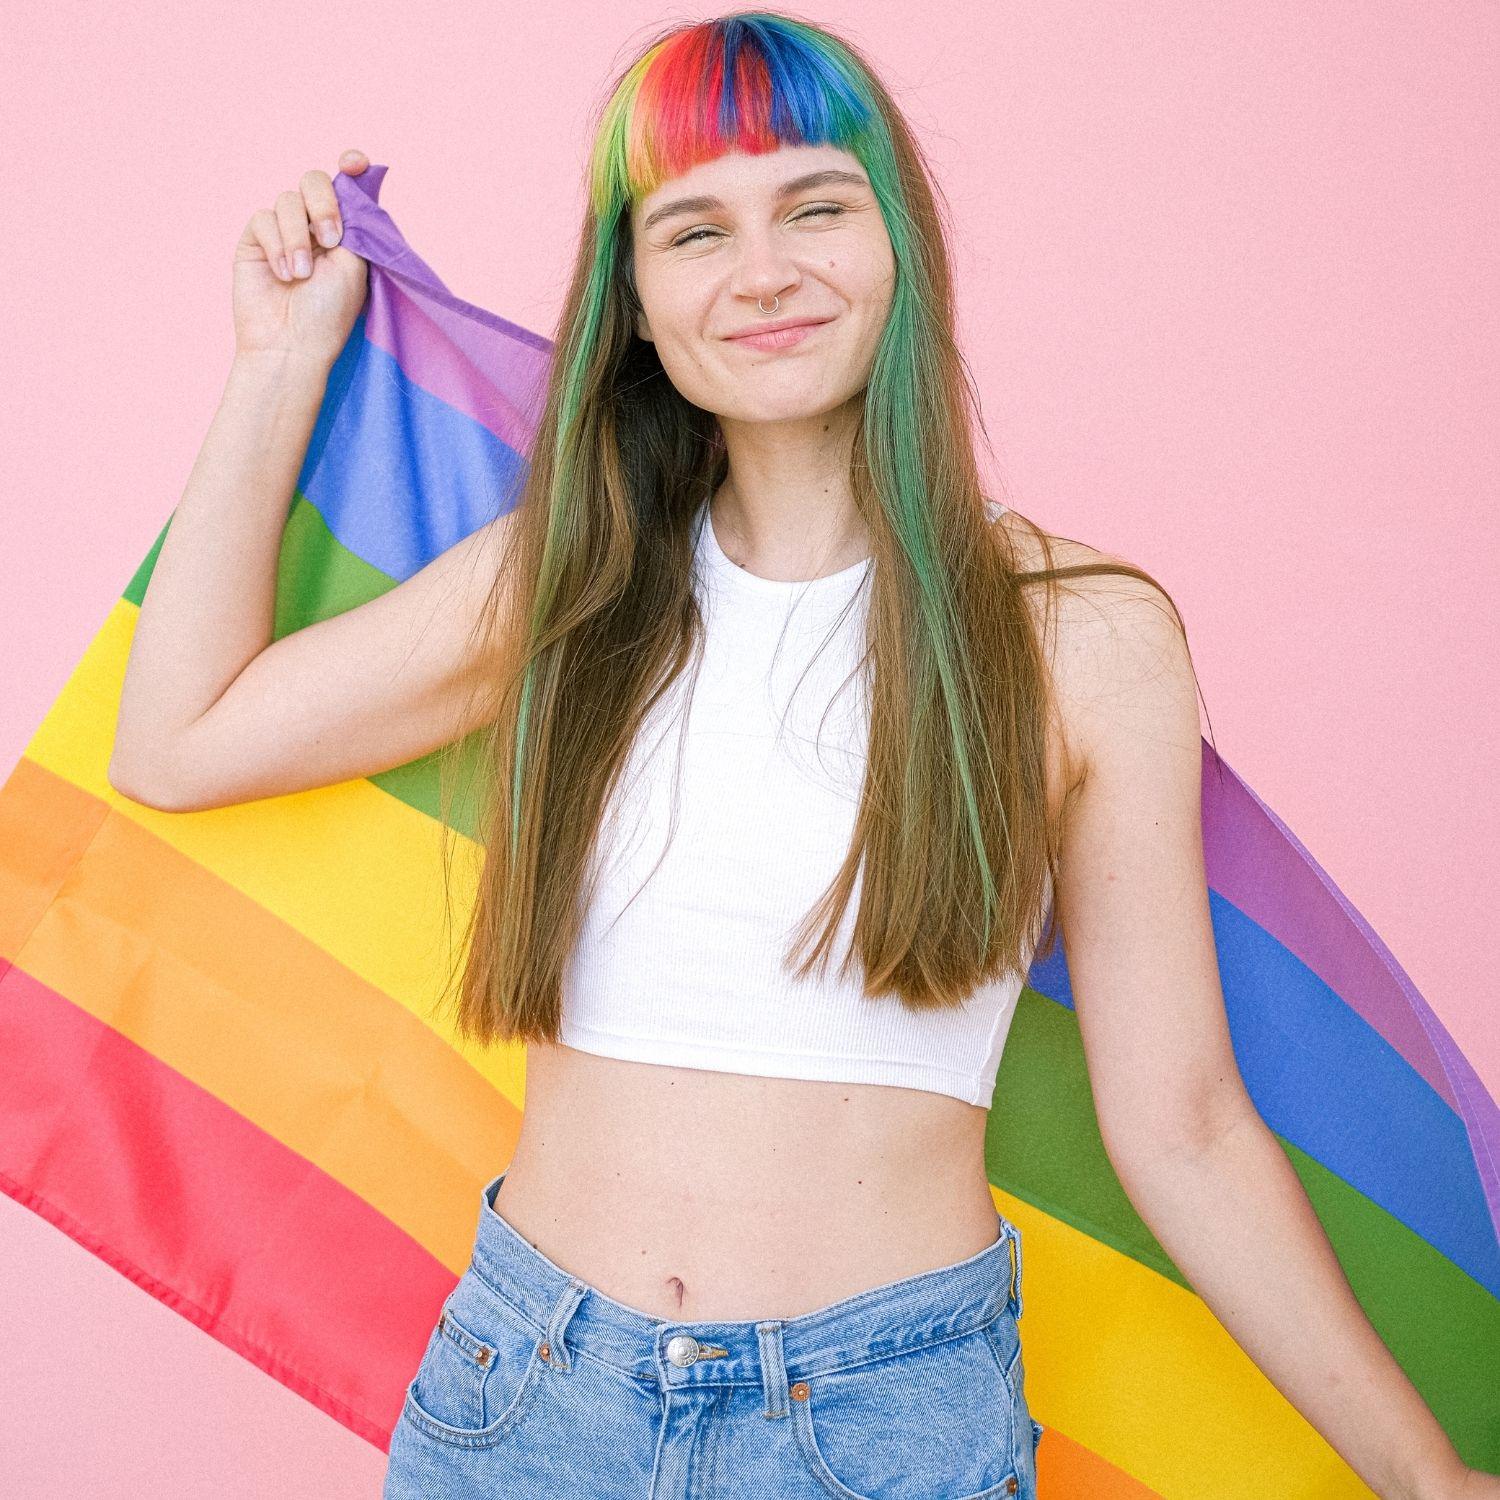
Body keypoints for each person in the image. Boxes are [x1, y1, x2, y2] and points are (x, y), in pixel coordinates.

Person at [107, 13, 1498, 1500]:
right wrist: (276, 363)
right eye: (693, 230)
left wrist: (1424, 1479)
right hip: (528, 1408)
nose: (761, 271)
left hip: (888, 1427)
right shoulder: (563, 587)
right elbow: (177, 741)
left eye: (816, 207)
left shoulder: (1078, 639)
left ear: (899, 244)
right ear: (634, 302)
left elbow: (1187, 1129)